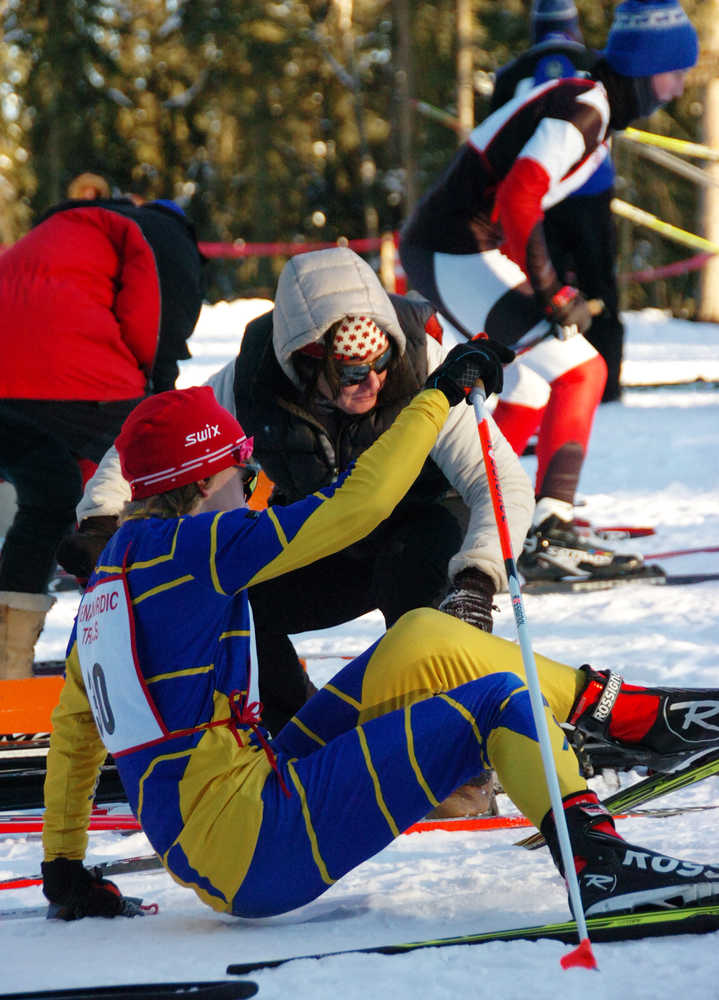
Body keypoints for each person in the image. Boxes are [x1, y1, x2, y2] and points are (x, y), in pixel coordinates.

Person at [40, 380, 719, 922]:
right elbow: (354, 508)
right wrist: (439, 395)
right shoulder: (194, 547)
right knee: (497, 704)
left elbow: (75, 736)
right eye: (236, 466)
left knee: (419, 637)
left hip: (232, 826)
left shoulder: (115, 576)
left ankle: (635, 717)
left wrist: (65, 872)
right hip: (256, 846)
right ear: (195, 482)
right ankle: (598, 865)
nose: (250, 481)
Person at [63, 247, 532, 746]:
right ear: (307, 359)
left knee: (421, 607)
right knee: (234, 594)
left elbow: (500, 482)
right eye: (352, 371)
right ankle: (295, 734)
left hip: (422, 535)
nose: (372, 380)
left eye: (381, 361)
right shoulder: (256, 379)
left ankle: (450, 746)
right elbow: (156, 432)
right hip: (330, 535)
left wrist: (479, 577)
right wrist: (99, 520)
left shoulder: (425, 366)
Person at [399, 0, 698, 582]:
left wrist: (541, 286)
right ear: (648, 65)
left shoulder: (590, 103)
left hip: (456, 244)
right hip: (456, 247)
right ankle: (548, 531)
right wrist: (551, 291)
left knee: (532, 384)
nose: (680, 86)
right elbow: (519, 195)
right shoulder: (586, 107)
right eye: (677, 70)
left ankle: (464, 514)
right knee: (582, 370)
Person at [0, 195, 205, 678]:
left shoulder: (48, 232)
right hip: (76, 379)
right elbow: (150, 319)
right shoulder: (146, 233)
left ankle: (8, 668)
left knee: (47, 498)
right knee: (148, 487)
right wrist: (153, 384)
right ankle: (147, 655)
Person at [491, 0, 625, 403]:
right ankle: (609, 385)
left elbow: (496, 138)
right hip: (591, 192)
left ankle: (544, 382)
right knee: (600, 284)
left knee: (541, 288)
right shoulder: (596, 63)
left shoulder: (512, 72)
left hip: (536, 198)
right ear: (574, 24)